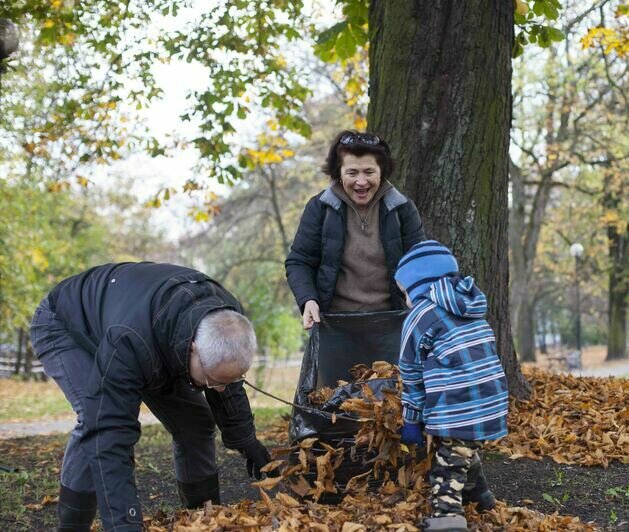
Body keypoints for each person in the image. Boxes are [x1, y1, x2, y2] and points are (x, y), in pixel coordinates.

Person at [29, 262, 276, 532]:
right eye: (211, 382)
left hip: (149, 334)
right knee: (93, 419)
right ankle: (72, 526)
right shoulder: (130, 340)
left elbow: (225, 378)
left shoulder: (225, 319)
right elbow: (109, 433)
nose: (218, 390)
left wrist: (246, 439)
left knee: (196, 424)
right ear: (193, 348)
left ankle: (204, 519)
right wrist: (125, 522)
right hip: (67, 325)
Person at [394, 241, 509, 532]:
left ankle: (448, 519)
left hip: (458, 403)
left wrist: (411, 419)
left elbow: (411, 373)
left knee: (446, 467)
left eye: (405, 291)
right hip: (491, 399)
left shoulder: (420, 316)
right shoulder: (470, 305)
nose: (405, 299)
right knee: (462, 447)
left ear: (418, 285)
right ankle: (480, 496)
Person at [285, 130, 426, 329]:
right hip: (333, 325)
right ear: (339, 173)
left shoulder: (402, 208)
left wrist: (415, 292)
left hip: (393, 325)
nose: (361, 182)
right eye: (352, 173)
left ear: (381, 171)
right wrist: (308, 300)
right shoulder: (319, 207)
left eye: (369, 172)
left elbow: (420, 262)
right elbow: (299, 261)